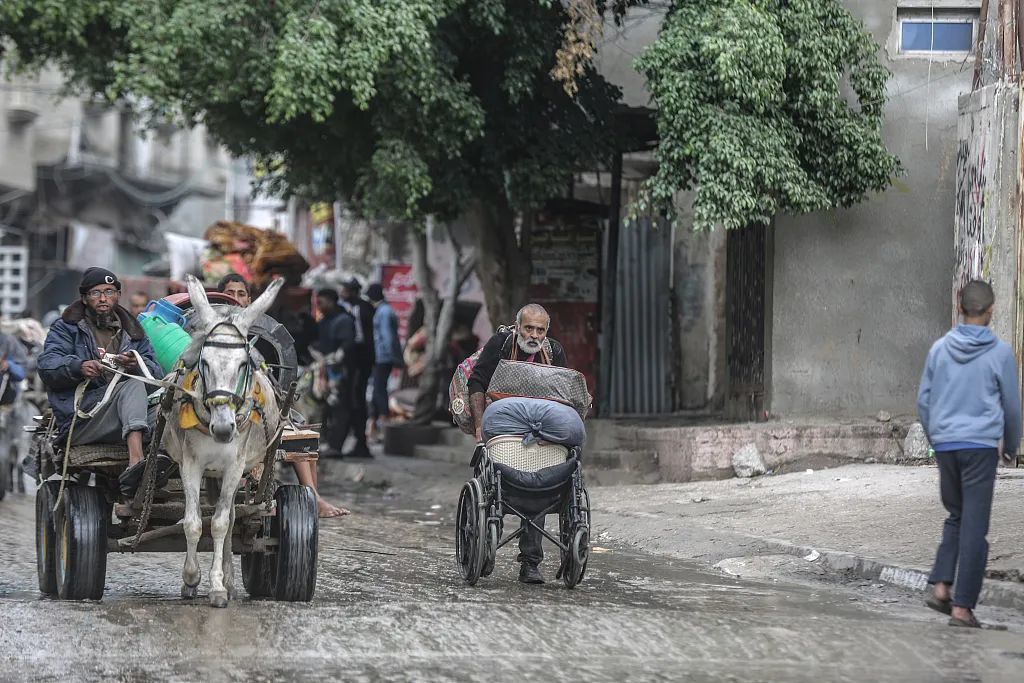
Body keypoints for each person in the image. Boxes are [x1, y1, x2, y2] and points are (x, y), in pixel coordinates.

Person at [918, 280, 1021, 628]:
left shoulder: (939, 349)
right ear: (990, 311)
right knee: (975, 526)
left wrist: (938, 438)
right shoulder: (1000, 353)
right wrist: (1012, 445)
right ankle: (962, 607)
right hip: (979, 448)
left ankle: (943, 587)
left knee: (957, 516)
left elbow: (923, 401)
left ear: (961, 309)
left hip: (946, 445)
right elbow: (1011, 405)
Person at [220, 277, 349, 518]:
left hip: (259, 406)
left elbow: (276, 377)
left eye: (241, 294)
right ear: (220, 298)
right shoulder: (210, 330)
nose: (236, 299)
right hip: (219, 408)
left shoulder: (263, 331)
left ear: (249, 300)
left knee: (300, 436)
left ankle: (314, 497)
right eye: (230, 293)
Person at [38, 267, 170, 497]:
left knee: (172, 404)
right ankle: (136, 462)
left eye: (109, 292)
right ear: (84, 298)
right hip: (83, 418)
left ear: (118, 295)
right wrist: (78, 367)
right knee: (132, 386)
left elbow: (156, 374)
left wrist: (136, 365)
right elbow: (47, 365)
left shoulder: (133, 332)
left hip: (126, 416)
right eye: (96, 293)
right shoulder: (67, 328)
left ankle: (166, 461)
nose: (103, 298)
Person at [467, 303, 568, 585]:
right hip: (503, 430)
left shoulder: (555, 351)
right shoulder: (500, 345)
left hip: (542, 432)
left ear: (546, 332)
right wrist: (479, 428)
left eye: (540, 330)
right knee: (494, 487)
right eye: (529, 328)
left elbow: (565, 390)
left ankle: (531, 562)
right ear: (517, 327)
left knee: (541, 487)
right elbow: (477, 383)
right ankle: (487, 547)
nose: (534, 335)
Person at [314, 289, 357, 459]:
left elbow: (346, 346)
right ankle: (327, 443)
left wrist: (336, 358)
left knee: (339, 408)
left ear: (331, 301)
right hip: (324, 370)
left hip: (339, 373)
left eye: (321, 302)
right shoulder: (325, 320)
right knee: (326, 409)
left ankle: (336, 446)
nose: (319, 306)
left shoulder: (343, 320)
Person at [339, 277, 375, 458]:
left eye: (344, 290)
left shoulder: (362, 308)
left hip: (361, 360)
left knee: (357, 400)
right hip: (356, 360)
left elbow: (362, 337)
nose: (342, 293)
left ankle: (362, 443)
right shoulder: (353, 308)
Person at [366, 283, 402, 443]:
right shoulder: (384, 310)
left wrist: (394, 357)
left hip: (383, 357)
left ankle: (382, 426)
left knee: (379, 391)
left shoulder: (383, 312)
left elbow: (388, 337)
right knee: (376, 391)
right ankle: (373, 428)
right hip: (381, 357)